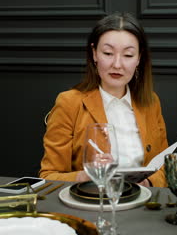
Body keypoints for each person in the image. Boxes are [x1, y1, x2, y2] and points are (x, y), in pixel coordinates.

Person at [38, 12, 169, 187]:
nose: (117, 64)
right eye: (108, 53)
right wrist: (87, 174)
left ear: (139, 58)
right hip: (90, 205)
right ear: (94, 54)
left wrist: (147, 183)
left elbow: (164, 167)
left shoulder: (151, 102)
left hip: (142, 204)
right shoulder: (69, 102)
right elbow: (48, 176)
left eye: (128, 55)